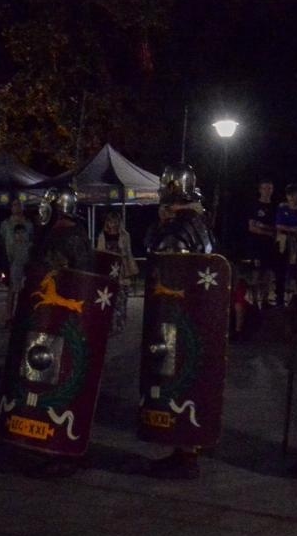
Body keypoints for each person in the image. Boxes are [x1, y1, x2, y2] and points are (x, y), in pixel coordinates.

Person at [139, 164, 219, 480]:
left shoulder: (176, 231)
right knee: (190, 378)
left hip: (175, 316)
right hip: (198, 316)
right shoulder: (203, 226)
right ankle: (186, 451)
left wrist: (159, 226)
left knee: (175, 380)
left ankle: (185, 456)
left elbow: (157, 256)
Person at [94, 211, 138, 332]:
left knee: (121, 299)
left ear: (119, 222)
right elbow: (100, 253)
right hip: (108, 272)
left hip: (122, 271)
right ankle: (110, 325)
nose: (112, 224)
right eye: (109, 221)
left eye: (114, 221)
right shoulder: (102, 235)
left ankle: (120, 324)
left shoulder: (124, 235)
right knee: (109, 299)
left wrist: (130, 267)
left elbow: (129, 253)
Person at [246, 180, 280, 307]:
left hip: (270, 246)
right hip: (256, 245)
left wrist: (263, 227)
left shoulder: (276, 207)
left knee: (268, 274)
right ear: (260, 189)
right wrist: (268, 231)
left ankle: (265, 300)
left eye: (270, 188)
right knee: (256, 274)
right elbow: (252, 227)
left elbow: (277, 228)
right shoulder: (254, 205)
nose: (267, 191)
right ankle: (254, 302)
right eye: (265, 188)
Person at [274, 185, 297, 306]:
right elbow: (278, 225)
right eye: (289, 194)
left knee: (295, 270)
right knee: (280, 270)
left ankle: (295, 297)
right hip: (282, 242)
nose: (291, 197)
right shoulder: (282, 208)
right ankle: (279, 299)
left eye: (294, 194)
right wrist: (292, 229)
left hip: (296, 243)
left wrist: (289, 229)